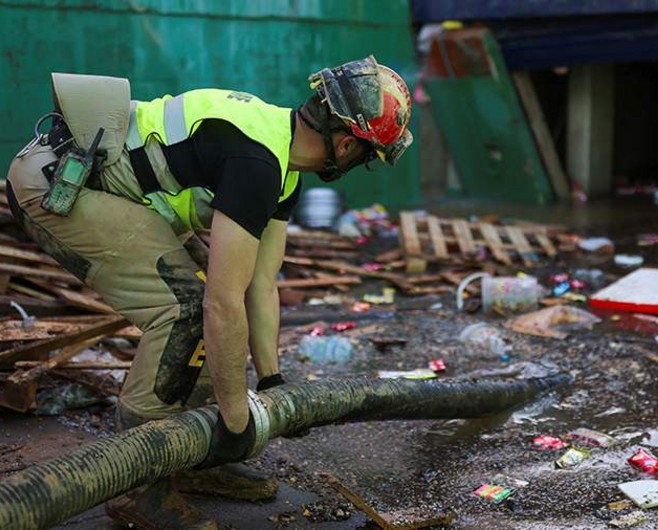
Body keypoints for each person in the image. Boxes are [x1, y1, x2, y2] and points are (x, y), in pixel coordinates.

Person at [5, 55, 412, 529]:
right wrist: (238, 420)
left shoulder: (283, 167)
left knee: (203, 305)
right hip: (59, 182)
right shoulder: (257, 160)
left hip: (109, 189)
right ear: (346, 144)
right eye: (367, 157)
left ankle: (193, 457)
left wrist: (272, 380)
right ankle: (139, 486)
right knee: (185, 310)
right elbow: (222, 302)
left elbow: (260, 284)